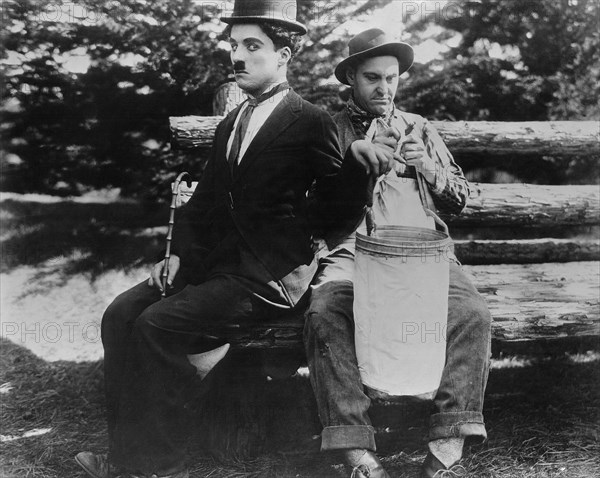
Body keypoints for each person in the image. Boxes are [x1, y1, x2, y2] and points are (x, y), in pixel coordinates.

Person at [74, 5, 395, 478]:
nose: (237, 57)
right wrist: (177, 254)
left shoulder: (312, 121)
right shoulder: (232, 122)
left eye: (252, 47)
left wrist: (356, 170)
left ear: (283, 55)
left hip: (268, 277)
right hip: (216, 266)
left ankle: (160, 464)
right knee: (120, 314)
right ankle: (125, 454)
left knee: (157, 326)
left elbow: (336, 214)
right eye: (233, 46)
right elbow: (202, 203)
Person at [303, 28, 492, 478]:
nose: (383, 89)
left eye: (391, 78)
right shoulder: (328, 130)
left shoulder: (420, 128)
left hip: (424, 255)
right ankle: (357, 454)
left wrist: (427, 167)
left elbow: (461, 200)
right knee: (325, 312)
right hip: (354, 253)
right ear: (350, 76)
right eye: (372, 78)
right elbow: (313, 210)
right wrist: (356, 168)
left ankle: (446, 449)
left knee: (473, 314)